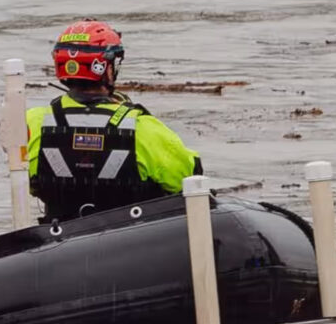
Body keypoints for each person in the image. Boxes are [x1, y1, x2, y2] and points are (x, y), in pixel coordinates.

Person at [24, 20, 202, 220]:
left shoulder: (34, 122)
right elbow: (190, 179)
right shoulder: (142, 127)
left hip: (59, 239)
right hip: (136, 240)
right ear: (106, 69)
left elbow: (26, 179)